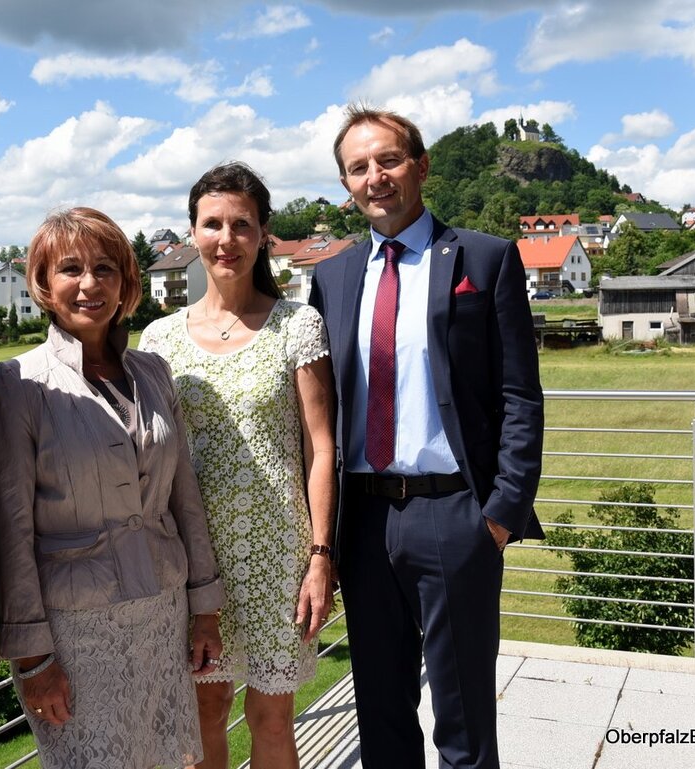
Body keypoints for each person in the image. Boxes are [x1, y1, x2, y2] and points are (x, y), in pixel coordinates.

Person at [308, 105, 544, 769]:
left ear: (421, 165)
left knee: (464, 717)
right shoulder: (333, 276)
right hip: (364, 516)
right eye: (358, 167)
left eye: (388, 159)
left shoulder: (485, 258)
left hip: (454, 512)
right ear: (346, 185)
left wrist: (498, 512)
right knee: (379, 711)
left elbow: (521, 394)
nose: (375, 176)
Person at [0, 207, 225, 768]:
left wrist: (204, 608)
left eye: (105, 268)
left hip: (163, 612)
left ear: (126, 283)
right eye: (70, 269)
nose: (89, 284)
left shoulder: (154, 371)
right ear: (43, 284)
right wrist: (33, 657)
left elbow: (183, 496)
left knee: (173, 757)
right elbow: (10, 528)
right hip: (77, 631)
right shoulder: (18, 383)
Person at [141, 162, 337, 769]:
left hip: (278, 554)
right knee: (204, 711)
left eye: (241, 225)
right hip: (194, 559)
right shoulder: (159, 340)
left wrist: (320, 557)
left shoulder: (296, 326)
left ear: (264, 234)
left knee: (272, 716)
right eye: (212, 224)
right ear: (193, 232)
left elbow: (321, 448)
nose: (226, 239)